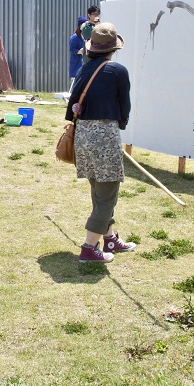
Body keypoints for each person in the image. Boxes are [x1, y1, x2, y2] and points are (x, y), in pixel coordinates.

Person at [66, 21, 135, 264]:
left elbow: (71, 105)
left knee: (99, 192)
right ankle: (89, 247)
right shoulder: (118, 71)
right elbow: (124, 108)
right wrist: (119, 127)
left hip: (83, 137)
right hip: (105, 137)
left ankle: (111, 238)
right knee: (106, 196)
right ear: (113, 48)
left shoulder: (85, 69)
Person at [68, 16, 86, 88]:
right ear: (80, 25)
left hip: (84, 62)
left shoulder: (86, 36)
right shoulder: (74, 38)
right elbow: (72, 49)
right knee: (76, 83)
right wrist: (80, 51)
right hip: (76, 63)